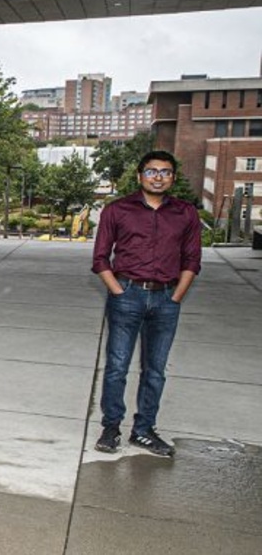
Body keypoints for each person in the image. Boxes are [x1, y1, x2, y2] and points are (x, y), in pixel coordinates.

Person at [90, 150, 201, 458]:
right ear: (140, 176)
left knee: (155, 370)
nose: (158, 177)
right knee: (117, 367)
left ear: (173, 178)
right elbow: (100, 258)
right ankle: (111, 427)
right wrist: (117, 291)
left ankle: (143, 430)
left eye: (165, 172)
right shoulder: (117, 210)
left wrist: (177, 295)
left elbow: (192, 259)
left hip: (167, 298)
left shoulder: (186, 213)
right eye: (151, 171)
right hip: (127, 294)